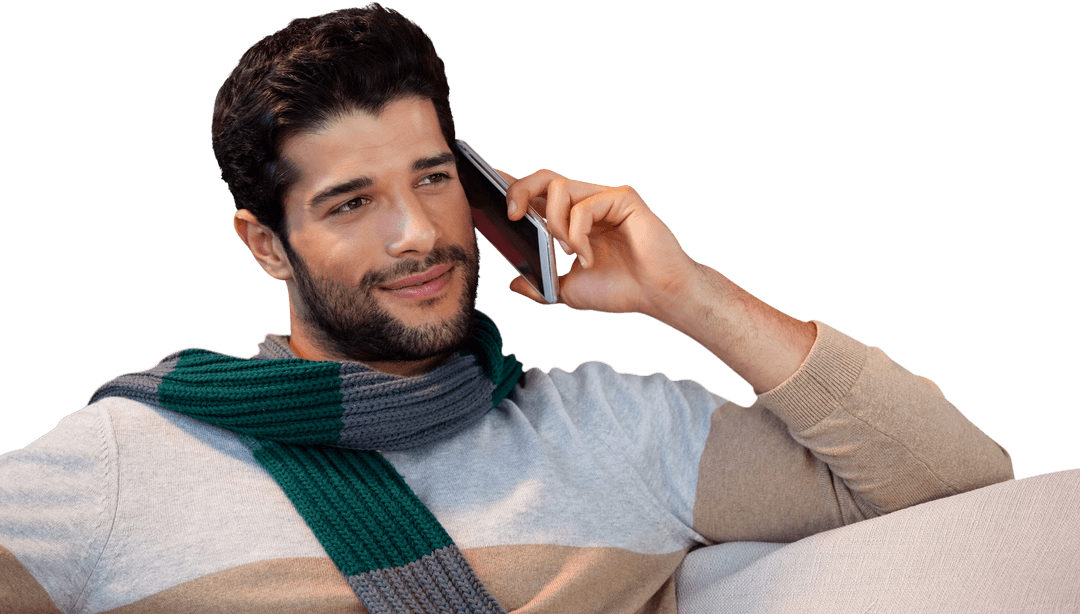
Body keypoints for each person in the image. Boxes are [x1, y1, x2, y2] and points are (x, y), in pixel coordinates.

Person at [0, 4, 1013, 613]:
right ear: (266, 242)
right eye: (352, 202)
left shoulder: (615, 429)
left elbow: (961, 480)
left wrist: (685, 292)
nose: (416, 232)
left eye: (434, 178)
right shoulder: (127, 461)